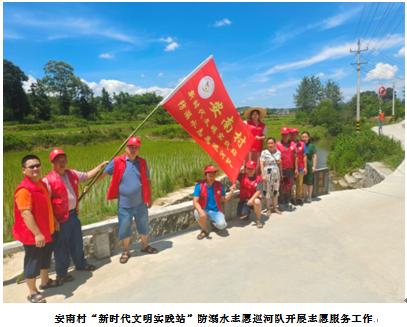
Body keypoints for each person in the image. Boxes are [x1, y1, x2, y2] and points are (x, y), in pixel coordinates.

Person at [43, 149, 109, 281]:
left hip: (73, 215)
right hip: (60, 219)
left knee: (77, 242)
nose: (62, 163)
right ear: (52, 163)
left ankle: (81, 264)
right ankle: (62, 274)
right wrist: (54, 220)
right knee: (61, 246)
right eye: (58, 161)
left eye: (64, 160)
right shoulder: (48, 180)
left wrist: (100, 166)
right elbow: (46, 204)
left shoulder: (72, 173)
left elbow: (87, 175)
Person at [94, 137, 154, 264]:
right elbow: (103, 174)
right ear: (126, 148)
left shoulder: (142, 162)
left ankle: (144, 246)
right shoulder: (117, 161)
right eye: (131, 147)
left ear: (139, 149)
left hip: (141, 203)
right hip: (125, 204)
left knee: (143, 225)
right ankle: (126, 251)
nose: (133, 149)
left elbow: (148, 180)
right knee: (124, 228)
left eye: (136, 147)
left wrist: (150, 198)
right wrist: (90, 185)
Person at [13, 155, 62, 303]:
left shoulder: (41, 184)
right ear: (24, 170)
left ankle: (45, 281)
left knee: (45, 258)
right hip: (33, 235)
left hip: (47, 231)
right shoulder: (24, 190)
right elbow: (25, 213)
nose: (35, 169)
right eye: (31, 167)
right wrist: (37, 234)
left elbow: (47, 205)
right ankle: (32, 292)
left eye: (37, 165)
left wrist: (54, 221)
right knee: (33, 262)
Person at [193, 165, 236, 239]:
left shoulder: (219, 185)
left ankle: (213, 222)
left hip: (216, 211)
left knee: (222, 225)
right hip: (204, 210)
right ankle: (205, 230)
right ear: (205, 175)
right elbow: (195, 201)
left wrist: (231, 191)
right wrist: (201, 211)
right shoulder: (199, 186)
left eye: (213, 175)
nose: (212, 177)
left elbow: (224, 199)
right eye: (209, 175)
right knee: (196, 212)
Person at [236, 161, 264, 228]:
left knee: (257, 201)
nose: (250, 170)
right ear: (245, 168)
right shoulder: (241, 176)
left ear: (255, 169)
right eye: (248, 168)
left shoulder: (259, 178)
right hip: (244, 200)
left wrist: (252, 199)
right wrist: (240, 165)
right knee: (241, 216)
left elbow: (259, 191)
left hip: (253, 199)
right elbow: (233, 174)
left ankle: (258, 220)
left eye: (252, 169)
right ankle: (247, 212)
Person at [260, 137, 283, 216]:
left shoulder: (278, 153)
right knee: (267, 191)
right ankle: (268, 209)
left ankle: (275, 208)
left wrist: (281, 173)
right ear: (267, 144)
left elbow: (280, 163)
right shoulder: (264, 152)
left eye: (271, 143)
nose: (270, 145)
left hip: (276, 175)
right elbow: (262, 164)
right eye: (268, 143)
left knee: (275, 191)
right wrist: (263, 175)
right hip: (267, 174)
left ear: (274, 143)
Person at [275, 127, 297, 209]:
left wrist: (296, 169)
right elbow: (275, 158)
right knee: (281, 186)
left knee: (289, 186)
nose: (285, 136)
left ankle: (288, 202)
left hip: (291, 169)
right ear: (281, 135)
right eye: (283, 134)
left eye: (286, 134)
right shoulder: (277, 144)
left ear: (289, 135)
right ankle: (280, 202)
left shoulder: (293, 144)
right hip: (281, 169)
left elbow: (296, 157)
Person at [243, 107, 268, 175]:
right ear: (251, 115)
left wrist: (260, 138)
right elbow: (238, 125)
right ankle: (246, 179)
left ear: (259, 116)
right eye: (253, 114)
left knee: (257, 165)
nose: (255, 115)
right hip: (249, 148)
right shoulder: (246, 123)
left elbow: (264, 136)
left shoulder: (263, 125)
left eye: (256, 114)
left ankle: (257, 180)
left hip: (258, 148)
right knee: (248, 163)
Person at [290, 127, 308, 206]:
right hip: (290, 167)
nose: (294, 136)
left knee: (299, 184)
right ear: (290, 135)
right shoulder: (288, 144)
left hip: (300, 167)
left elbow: (304, 156)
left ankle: (298, 198)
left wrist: (305, 167)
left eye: (296, 134)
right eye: (292, 134)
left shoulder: (302, 144)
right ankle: (291, 198)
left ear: (298, 135)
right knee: (290, 184)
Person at [301, 131, 317, 203]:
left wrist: (314, 166)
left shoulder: (312, 146)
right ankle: (303, 196)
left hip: (309, 164)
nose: (304, 138)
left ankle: (309, 196)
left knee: (309, 182)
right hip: (301, 165)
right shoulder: (300, 145)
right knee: (303, 182)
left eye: (305, 137)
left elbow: (315, 156)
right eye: (303, 137)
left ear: (308, 137)